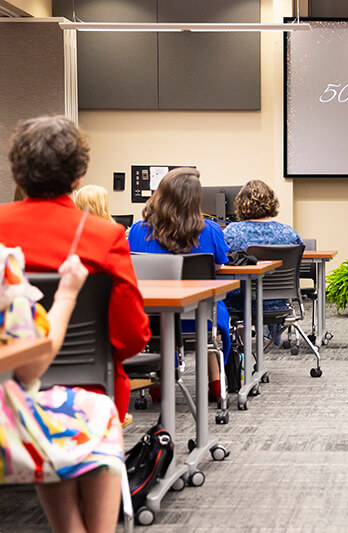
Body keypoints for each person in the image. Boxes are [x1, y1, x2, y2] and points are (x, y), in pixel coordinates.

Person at [0, 116, 150, 426]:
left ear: (17, 173)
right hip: (88, 394)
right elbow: (131, 337)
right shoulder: (105, 236)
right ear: (78, 176)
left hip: (6, 388)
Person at [0, 251, 124, 533]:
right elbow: (30, 367)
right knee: (92, 411)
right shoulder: (4, 265)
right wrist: (67, 293)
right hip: (6, 427)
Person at [127, 168, 231, 402]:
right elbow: (216, 267)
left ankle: (158, 381)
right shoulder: (211, 230)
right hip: (201, 317)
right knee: (210, 312)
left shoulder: (136, 231)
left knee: (162, 314)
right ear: (196, 199)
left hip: (151, 316)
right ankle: (215, 382)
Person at [223, 180, 303, 344]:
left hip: (240, 302)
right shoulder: (288, 232)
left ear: (241, 204)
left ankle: (241, 347)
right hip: (279, 302)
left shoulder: (232, 232)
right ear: (271, 202)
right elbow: (300, 253)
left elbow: (221, 260)